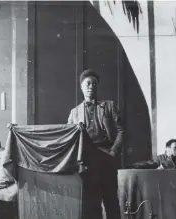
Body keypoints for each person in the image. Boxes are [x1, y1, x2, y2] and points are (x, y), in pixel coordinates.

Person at [67, 69, 124, 219]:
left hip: (107, 158)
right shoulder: (74, 113)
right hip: (87, 162)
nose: (91, 86)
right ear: (81, 87)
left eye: (94, 83)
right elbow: (69, 137)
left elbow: (121, 131)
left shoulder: (109, 106)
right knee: (92, 204)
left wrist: (113, 152)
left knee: (111, 202)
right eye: (88, 83)